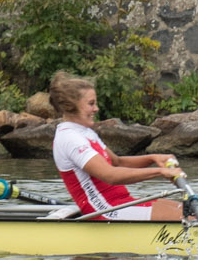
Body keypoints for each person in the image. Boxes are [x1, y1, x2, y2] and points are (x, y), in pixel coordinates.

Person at [49, 74, 186, 221]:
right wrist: (160, 172)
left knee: (194, 211)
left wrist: (153, 158)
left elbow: (118, 162)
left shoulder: (85, 132)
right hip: (104, 210)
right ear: (71, 105)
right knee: (191, 218)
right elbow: (110, 175)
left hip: (121, 203)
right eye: (91, 104)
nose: (96, 108)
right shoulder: (70, 139)